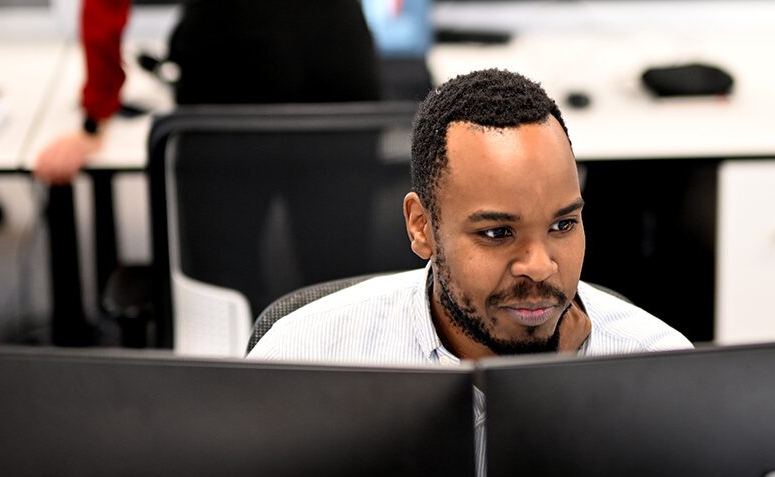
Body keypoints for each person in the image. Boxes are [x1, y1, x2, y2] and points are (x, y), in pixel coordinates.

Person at [248, 69, 692, 363]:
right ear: (422, 226)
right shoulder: (307, 357)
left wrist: (559, 391)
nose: (540, 265)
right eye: (498, 232)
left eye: (562, 225)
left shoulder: (656, 364)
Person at [30, 0, 382, 184]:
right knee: (339, 273)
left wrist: (96, 118)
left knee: (223, 267)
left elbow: (104, 9)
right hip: (336, 58)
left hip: (227, 71)